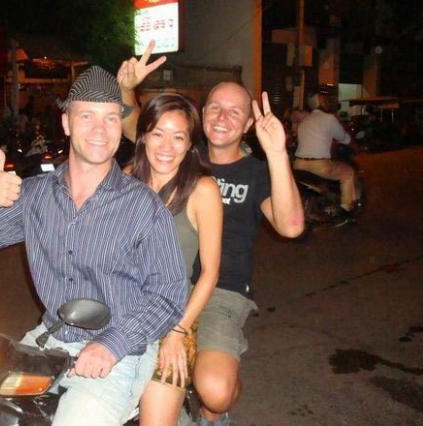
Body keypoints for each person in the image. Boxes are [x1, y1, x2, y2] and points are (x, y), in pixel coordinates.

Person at [0, 65, 188, 425]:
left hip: (118, 353)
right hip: (50, 337)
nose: (100, 130)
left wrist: (111, 344)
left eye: (110, 118)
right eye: (87, 116)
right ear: (66, 123)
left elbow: (168, 294)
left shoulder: (144, 207)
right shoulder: (36, 195)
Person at [120, 59, 304, 424]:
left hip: (223, 289)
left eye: (235, 112)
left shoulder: (256, 172)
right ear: (202, 115)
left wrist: (278, 153)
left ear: (249, 124)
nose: (222, 117)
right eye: (215, 108)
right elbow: (137, 126)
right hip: (167, 284)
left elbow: (292, 226)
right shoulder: (181, 152)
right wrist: (126, 88)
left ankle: (215, 404)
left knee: (216, 394)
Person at [127, 93, 223, 425]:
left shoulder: (203, 190)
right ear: (143, 137)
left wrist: (177, 333)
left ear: (189, 145)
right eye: (158, 133)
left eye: (178, 136)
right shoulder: (126, 180)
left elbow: (210, 273)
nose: (166, 146)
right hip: (123, 315)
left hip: (174, 318)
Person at [294, 92, 359, 223]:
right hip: (319, 166)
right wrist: (351, 142)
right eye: (325, 100)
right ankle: (346, 210)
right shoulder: (328, 118)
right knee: (348, 173)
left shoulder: (304, 121)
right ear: (322, 102)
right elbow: (343, 137)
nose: (328, 102)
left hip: (298, 165)